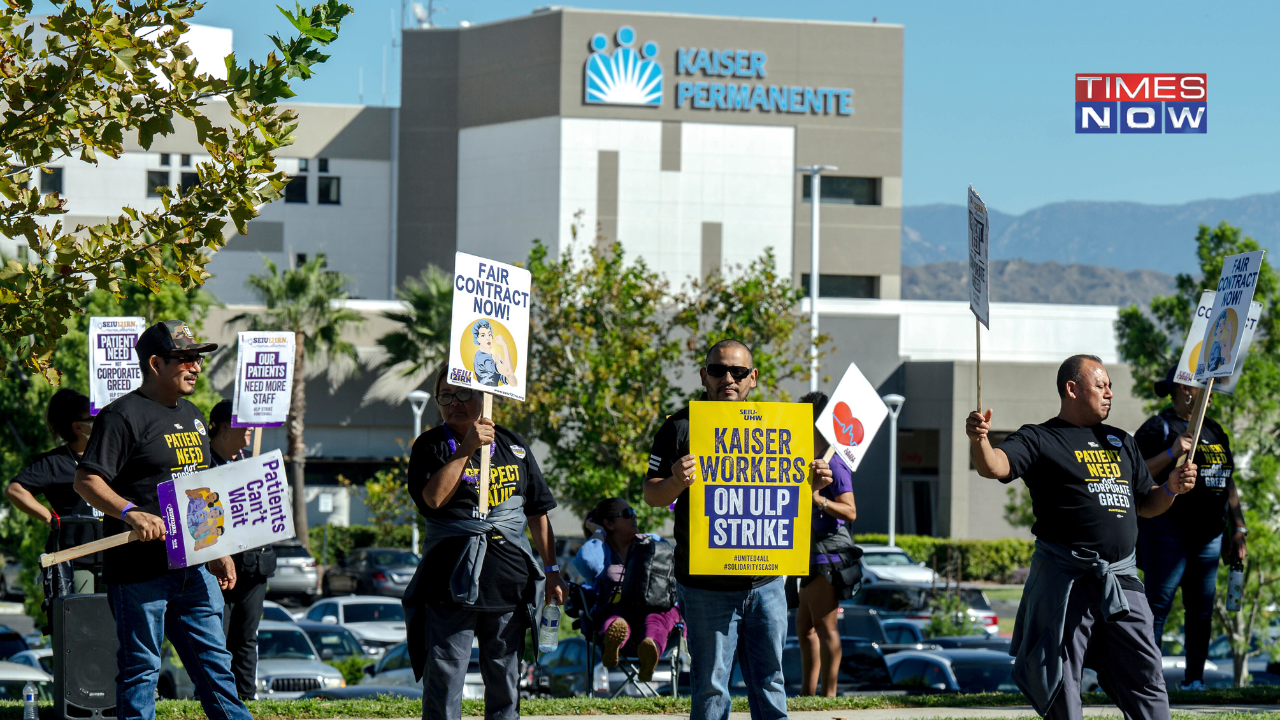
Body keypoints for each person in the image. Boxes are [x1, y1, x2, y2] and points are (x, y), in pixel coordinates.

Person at [966, 354, 1198, 720]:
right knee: (1062, 679)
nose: (1109, 393)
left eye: (1110, 386)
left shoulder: (1122, 441)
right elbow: (994, 466)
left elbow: (1146, 504)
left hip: (1121, 581)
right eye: (1100, 385)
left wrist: (1170, 489)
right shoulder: (1040, 437)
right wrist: (978, 440)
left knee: (1147, 673)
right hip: (1066, 581)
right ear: (1072, 389)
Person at [644, 339, 833, 720]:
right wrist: (677, 482)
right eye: (718, 370)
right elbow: (651, 494)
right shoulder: (679, 427)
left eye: (738, 372)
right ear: (704, 376)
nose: (727, 379)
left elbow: (789, 496)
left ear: (753, 379)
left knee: (771, 683)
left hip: (766, 586)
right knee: (712, 690)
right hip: (705, 589)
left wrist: (814, 486)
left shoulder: (781, 428)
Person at [73, 320, 251, 720]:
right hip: (139, 574)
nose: (196, 366)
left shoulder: (194, 415)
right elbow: (86, 480)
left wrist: (217, 549)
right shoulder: (121, 416)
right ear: (155, 363)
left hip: (194, 569)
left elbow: (202, 489)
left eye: (198, 358)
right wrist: (129, 512)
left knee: (216, 671)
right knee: (141, 673)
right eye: (186, 358)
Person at [403, 370, 564, 720]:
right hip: (449, 588)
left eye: (461, 393)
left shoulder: (513, 446)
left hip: (507, 586)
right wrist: (467, 449)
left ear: (485, 395)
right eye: (444, 396)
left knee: (506, 688)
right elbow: (432, 499)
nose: (453, 403)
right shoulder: (429, 446)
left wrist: (551, 572)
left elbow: (537, 512)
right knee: (444, 687)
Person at [1134, 367, 1246, 691]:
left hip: (1209, 536)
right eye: (1205, 387)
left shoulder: (1213, 429)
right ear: (1186, 390)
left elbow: (1227, 481)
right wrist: (1173, 451)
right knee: (1158, 605)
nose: (1211, 393)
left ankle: (1193, 680)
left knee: (1201, 612)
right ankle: (1147, 681)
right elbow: (1134, 472)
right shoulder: (1159, 427)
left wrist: (1239, 527)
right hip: (1168, 531)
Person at [208, 400, 278, 701]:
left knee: (246, 637)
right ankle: (213, 696)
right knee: (214, 637)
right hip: (216, 567)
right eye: (243, 424)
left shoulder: (253, 462)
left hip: (253, 566)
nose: (250, 430)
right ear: (224, 429)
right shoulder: (201, 465)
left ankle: (246, 698)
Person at [573, 498, 681, 682]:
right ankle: (612, 643)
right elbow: (589, 564)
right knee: (615, 617)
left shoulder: (652, 543)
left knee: (658, 616)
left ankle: (650, 649)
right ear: (608, 523)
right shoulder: (601, 550)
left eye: (633, 511)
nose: (634, 516)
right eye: (627, 513)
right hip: (616, 611)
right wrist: (598, 534)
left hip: (655, 608)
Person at [794, 391, 859, 697]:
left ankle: (828, 694)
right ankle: (808, 695)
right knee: (805, 629)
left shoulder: (837, 463)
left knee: (824, 627)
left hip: (828, 551)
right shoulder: (812, 460)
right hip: (807, 551)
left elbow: (850, 511)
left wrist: (819, 500)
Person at [7, 389, 103, 595]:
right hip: (77, 563)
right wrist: (51, 519)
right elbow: (15, 490)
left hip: (117, 558)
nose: (101, 422)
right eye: (95, 418)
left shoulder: (109, 456)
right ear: (77, 427)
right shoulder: (54, 462)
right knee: (87, 624)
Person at [471, 320, 518, 388]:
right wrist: (504, 345)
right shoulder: (481, 357)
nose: (488, 338)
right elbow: (508, 371)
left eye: (489, 334)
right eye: (483, 335)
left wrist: (500, 363)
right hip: (483, 395)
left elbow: (513, 383)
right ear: (477, 339)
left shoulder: (494, 358)